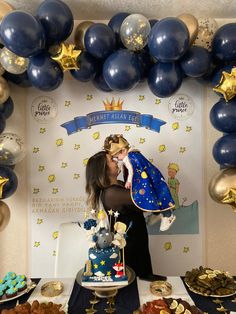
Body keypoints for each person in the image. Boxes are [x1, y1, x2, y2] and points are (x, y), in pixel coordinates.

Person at [85, 150, 166, 281]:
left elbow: (135, 183)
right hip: (129, 256)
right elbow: (144, 200)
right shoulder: (112, 194)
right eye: (112, 160)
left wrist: (130, 161)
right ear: (104, 169)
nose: (116, 161)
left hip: (139, 247)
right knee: (133, 290)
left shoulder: (119, 185)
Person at [104, 134, 176, 232]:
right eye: (113, 159)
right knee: (153, 193)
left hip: (137, 238)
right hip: (128, 242)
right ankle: (158, 213)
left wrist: (129, 181)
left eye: (116, 157)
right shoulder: (134, 153)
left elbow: (131, 170)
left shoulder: (129, 158)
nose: (117, 160)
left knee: (152, 193)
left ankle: (164, 215)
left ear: (123, 151)